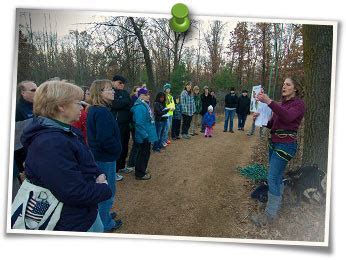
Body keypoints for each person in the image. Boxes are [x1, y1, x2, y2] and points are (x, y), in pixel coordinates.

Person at [19, 80, 112, 232]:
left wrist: (97, 172)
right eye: (77, 102)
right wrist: (104, 188)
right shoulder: (50, 143)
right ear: (61, 106)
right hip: (72, 222)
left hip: (83, 214)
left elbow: (84, 160)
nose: (82, 106)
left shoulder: (64, 132)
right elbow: (72, 192)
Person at [250, 77, 305, 227]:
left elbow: (287, 118)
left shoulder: (298, 104)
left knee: (272, 177)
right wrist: (259, 118)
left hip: (286, 145)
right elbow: (272, 125)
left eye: (288, 84)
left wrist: (268, 101)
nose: (284, 86)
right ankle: (276, 206)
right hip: (274, 143)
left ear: (295, 89)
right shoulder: (280, 105)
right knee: (278, 177)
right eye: (283, 84)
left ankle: (269, 216)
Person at [87, 79, 123, 232]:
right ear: (99, 93)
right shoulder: (101, 112)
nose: (113, 91)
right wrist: (116, 150)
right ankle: (106, 223)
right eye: (109, 89)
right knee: (107, 191)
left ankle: (105, 214)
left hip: (101, 156)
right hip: (104, 157)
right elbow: (104, 139)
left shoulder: (98, 110)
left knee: (105, 189)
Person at [13, 81, 37, 200]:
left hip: (35, 153)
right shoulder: (16, 109)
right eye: (33, 90)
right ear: (22, 92)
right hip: (23, 158)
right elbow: (16, 142)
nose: (36, 92)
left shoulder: (36, 107)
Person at [131, 87, 158, 180]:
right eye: (147, 94)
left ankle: (143, 169)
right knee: (142, 154)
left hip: (147, 134)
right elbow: (139, 124)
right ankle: (139, 174)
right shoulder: (139, 107)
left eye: (148, 94)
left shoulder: (144, 104)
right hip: (143, 136)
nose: (149, 96)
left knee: (146, 153)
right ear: (141, 96)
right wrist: (145, 136)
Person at [111, 75, 133, 180]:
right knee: (117, 146)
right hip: (117, 124)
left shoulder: (125, 93)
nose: (122, 85)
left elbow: (130, 103)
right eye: (120, 82)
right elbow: (115, 105)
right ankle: (114, 171)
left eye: (123, 83)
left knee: (125, 145)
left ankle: (122, 166)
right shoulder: (111, 92)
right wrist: (124, 103)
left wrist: (123, 103)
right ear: (113, 82)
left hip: (126, 123)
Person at [127, 85, 142, 169]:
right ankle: (132, 162)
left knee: (137, 144)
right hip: (134, 125)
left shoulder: (138, 100)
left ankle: (133, 161)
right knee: (136, 144)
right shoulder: (133, 100)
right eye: (138, 91)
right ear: (134, 92)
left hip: (137, 125)